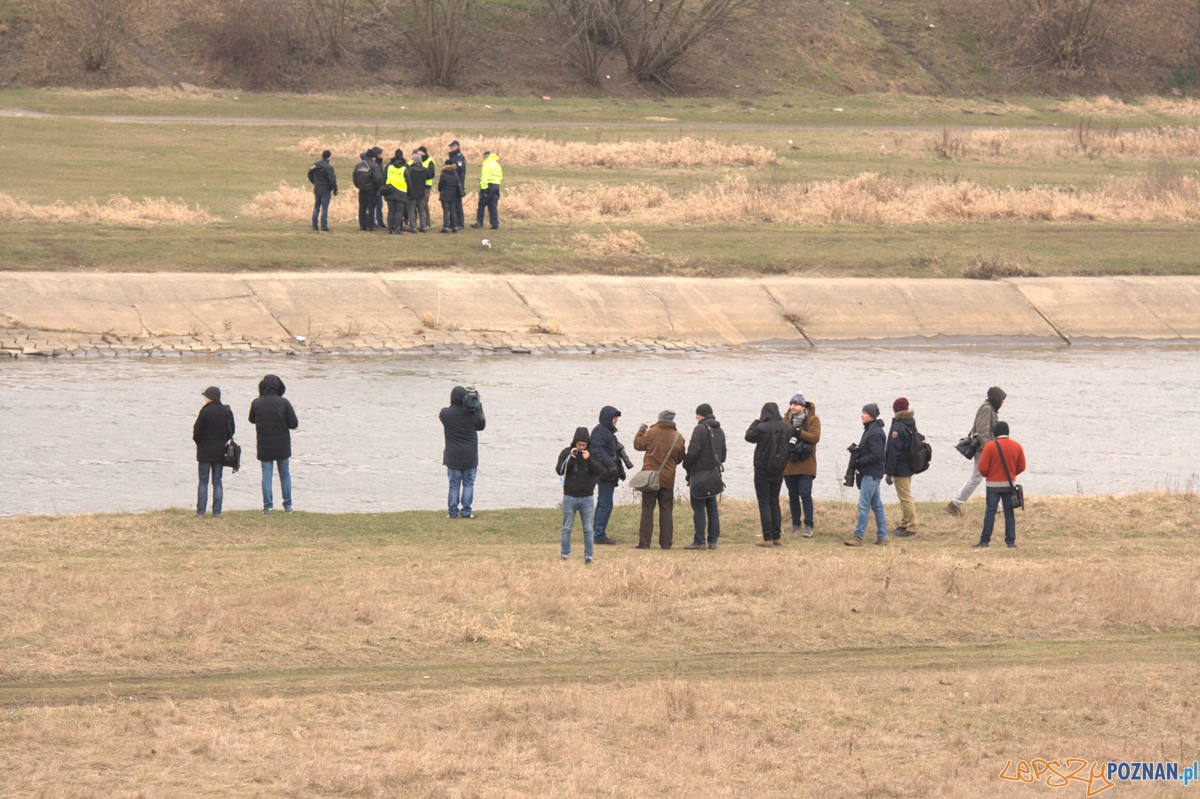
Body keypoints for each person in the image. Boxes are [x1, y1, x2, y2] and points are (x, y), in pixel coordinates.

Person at [947, 387, 1007, 516]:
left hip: (986, 449)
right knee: (977, 478)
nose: (1003, 402)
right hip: (983, 450)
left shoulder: (990, 408)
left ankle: (997, 508)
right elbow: (982, 431)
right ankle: (955, 504)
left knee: (991, 477)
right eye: (1002, 399)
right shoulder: (987, 409)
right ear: (996, 398)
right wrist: (988, 448)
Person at [633, 411, 686, 550]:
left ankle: (644, 543)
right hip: (668, 479)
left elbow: (638, 445)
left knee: (647, 509)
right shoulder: (679, 437)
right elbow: (680, 458)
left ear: (660, 419)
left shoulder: (651, 433)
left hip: (650, 478)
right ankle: (666, 543)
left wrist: (641, 430)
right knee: (666, 510)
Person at [249, 374, 299, 514]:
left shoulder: (257, 403)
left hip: (264, 444)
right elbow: (294, 424)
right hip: (282, 444)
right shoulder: (284, 403)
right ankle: (288, 506)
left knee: (266, 476)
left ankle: (268, 507)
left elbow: (251, 420)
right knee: (284, 475)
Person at [973, 421, 1026, 548]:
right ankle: (1010, 541)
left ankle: (985, 541)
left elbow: (982, 467)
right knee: (1009, 512)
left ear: (995, 432)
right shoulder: (1017, 446)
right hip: (1009, 485)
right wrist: (1012, 474)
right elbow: (1022, 466)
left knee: (990, 512)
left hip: (992, 485)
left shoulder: (990, 446)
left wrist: (989, 475)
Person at [682, 403, 726, 550]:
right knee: (712, 507)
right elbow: (723, 455)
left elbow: (693, 451)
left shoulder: (699, 429)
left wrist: (686, 465)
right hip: (714, 475)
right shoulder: (719, 430)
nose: (696, 417)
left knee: (699, 508)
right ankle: (713, 541)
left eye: (698, 414)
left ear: (703, 415)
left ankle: (699, 541)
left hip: (699, 474)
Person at [745, 402, 790, 547]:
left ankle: (767, 538)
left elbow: (748, 436)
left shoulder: (762, 428)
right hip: (779, 468)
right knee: (774, 501)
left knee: (764, 502)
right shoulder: (787, 428)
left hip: (762, 469)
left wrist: (756, 420)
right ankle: (777, 537)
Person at [556, 427, 602, 564]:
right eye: (579, 445)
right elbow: (560, 470)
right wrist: (571, 458)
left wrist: (589, 459)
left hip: (587, 497)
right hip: (570, 496)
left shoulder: (593, 453)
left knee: (588, 529)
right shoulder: (567, 453)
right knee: (566, 528)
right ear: (574, 443)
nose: (581, 447)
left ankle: (588, 556)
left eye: (584, 445)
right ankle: (565, 554)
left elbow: (600, 470)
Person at [439, 385, 486, 519]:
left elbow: (442, 414)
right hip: (470, 456)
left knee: (454, 484)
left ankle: (452, 513)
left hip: (453, 457)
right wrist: (478, 407)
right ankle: (466, 512)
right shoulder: (473, 414)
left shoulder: (446, 414)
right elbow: (481, 426)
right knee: (469, 484)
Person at [846, 403, 888, 546]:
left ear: (872, 415)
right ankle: (882, 536)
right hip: (874, 473)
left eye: (865, 413)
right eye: (862, 412)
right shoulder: (871, 429)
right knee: (877, 505)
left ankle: (858, 537)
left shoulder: (875, 432)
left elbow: (877, 455)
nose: (862, 415)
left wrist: (858, 462)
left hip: (871, 473)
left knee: (864, 505)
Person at [782, 392, 820, 538]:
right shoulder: (785, 420)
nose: (792, 406)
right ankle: (795, 524)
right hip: (789, 463)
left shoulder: (813, 420)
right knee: (792, 495)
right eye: (791, 404)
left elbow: (815, 437)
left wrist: (797, 433)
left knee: (805, 494)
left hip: (806, 463)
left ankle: (809, 525)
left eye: (796, 404)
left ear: (803, 406)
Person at [193, 386, 233, 518]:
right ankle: (216, 512)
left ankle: (200, 512)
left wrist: (200, 442)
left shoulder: (205, 411)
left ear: (210, 397)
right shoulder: (226, 411)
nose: (204, 398)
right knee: (217, 481)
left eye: (205, 396)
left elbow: (197, 431)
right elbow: (231, 430)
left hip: (204, 451)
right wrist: (223, 441)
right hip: (220, 451)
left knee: (203, 481)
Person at [590, 406, 625, 545]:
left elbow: (613, 453)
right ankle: (598, 534)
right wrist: (611, 465)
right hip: (604, 473)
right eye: (614, 418)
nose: (616, 421)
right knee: (605, 504)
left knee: (604, 503)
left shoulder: (608, 432)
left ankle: (598, 533)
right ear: (608, 418)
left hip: (609, 473)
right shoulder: (600, 430)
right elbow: (598, 449)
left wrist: (620, 470)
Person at [884, 397, 919, 537]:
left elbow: (894, 452)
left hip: (901, 468)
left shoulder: (898, 428)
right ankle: (904, 523)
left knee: (905, 498)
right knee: (904, 496)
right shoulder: (910, 423)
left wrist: (889, 472)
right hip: (909, 466)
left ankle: (911, 527)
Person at [352, 148, 383, 232]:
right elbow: (378, 178)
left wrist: (358, 186)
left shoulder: (358, 165)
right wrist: (376, 187)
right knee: (371, 208)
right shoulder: (374, 166)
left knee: (362, 208)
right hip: (371, 190)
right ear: (373, 157)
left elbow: (355, 177)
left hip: (362, 190)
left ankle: (362, 225)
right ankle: (370, 226)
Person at [471, 150, 502, 230]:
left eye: (484, 157)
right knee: (493, 206)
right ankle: (495, 224)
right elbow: (500, 177)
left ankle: (479, 223)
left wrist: (484, 190)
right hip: (496, 186)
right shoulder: (497, 165)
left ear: (486, 157)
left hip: (488, 186)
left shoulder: (487, 165)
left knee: (482, 205)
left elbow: (484, 178)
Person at [307, 149, 337, 232]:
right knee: (324, 208)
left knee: (316, 207)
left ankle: (314, 225)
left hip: (317, 189)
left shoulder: (316, 165)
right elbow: (332, 179)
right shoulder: (328, 167)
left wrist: (315, 182)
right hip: (325, 190)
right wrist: (334, 188)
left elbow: (309, 174)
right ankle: (324, 226)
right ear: (329, 157)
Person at [383, 149, 409, 235]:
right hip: (401, 192)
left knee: (391, 211)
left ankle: (390, 229)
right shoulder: (405, 167)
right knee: (398, 211)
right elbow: (409, 181)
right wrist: (409, 193)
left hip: (390, 191)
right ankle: (397, 228)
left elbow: (384, 178)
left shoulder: (389, 166)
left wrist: (383, 189)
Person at [404, 150, 431, 233]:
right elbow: (429, 176)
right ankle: (423, 227)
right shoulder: (425, 170)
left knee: (411, 210)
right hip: (421, 193)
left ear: (415, 161)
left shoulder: (411, 169)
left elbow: (407, 180)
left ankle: (413, 227)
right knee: (421, 210)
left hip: (412, 193)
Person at [438, 160, 464, 233]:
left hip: (445, 195)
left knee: (446, 211)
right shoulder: (455, 173)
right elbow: (457, 184)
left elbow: (440, 185)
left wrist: (441, 190)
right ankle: (455, 227)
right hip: (453, 195)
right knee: (453, 211)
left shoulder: (443, 174)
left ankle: (446, 227)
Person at [448, 139, 467, 231]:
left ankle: (460, 223)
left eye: (452, 146)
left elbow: (459, 168)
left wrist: (449, 167)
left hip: (458, 183)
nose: (450, 148)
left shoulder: (459, 157)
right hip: (453, 183)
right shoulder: (453, 156)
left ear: (456, 147)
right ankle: (453, 222)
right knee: (452, 203)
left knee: (457, 204)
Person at [372, 148, 386, 229]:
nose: (381, 155)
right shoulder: (374, 164)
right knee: (373, 205)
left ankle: (380, 221)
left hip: (379, 188)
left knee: (380, 205)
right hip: (374, 188)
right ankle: (373, 221)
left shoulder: (380, 163)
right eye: (379, 154)